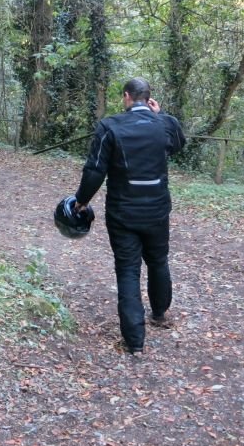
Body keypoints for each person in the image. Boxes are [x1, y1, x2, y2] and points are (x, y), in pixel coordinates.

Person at [73, 77, 186, 355]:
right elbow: (177, 144)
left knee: (127, 269)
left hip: (123, 212)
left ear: (126, 96)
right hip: (157, 210)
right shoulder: (165, 124)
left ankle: (135, 341)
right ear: (148, 98)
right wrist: (161, 115)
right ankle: (159, 313)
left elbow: (95, 169)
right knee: (158, 260)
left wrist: (81, 201)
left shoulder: (110, 126)